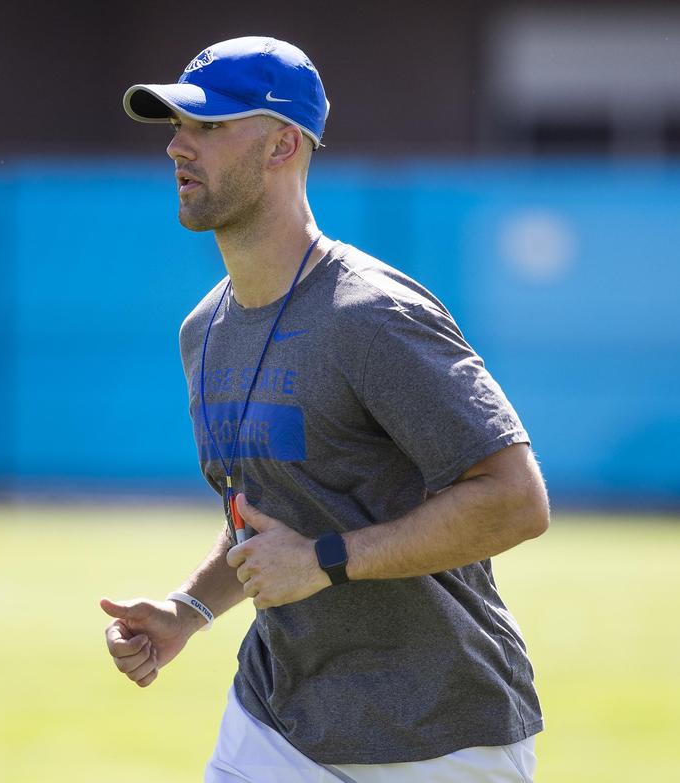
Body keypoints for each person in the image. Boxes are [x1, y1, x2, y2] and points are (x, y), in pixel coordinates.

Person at [101, 37, 549, 782]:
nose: (178, 144)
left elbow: (516, 501)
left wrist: (325, 561)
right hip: (277, 720)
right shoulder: (202, 330)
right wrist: (189, 610)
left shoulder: (370, 314)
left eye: (209, 126)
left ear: (282, 145)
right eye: (178, 125)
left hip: (440, 733)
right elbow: (267, 516)